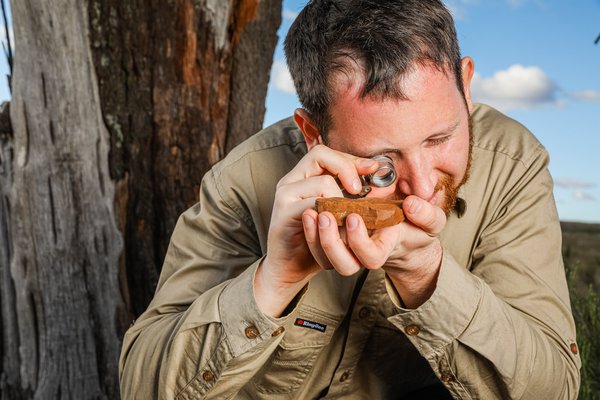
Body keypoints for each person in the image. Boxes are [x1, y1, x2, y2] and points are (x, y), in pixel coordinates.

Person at [119, 0, 581, 398]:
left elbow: (555, 388)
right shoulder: (243, 181)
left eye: (441, 138)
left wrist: (426, 276)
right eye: (382, 159)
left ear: (466, 81)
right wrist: (273, 281)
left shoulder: (513, 166)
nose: (421, 187)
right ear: (313, 134)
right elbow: (139, 387)